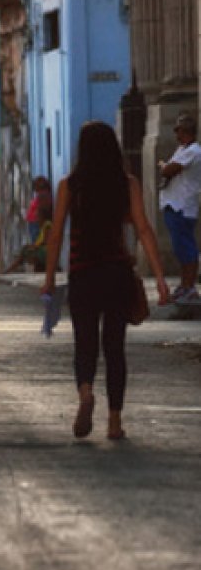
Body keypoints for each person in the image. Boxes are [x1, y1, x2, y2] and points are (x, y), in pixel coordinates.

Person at [41, 122, 170, 440]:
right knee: (115, 347)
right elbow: (142, 229)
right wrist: (161, 278)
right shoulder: (127, 183)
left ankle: (85, 393)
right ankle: (114, 421)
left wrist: (49, 279)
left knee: (84, 343)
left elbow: (55, 235)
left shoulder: (70, 185)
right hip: (116, 273)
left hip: (83, 272)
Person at [158, 113, 201, 303]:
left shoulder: (193, 151)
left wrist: (163, 166)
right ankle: (184, 285)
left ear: (185, 131)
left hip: (182, 206)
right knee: (180, 248)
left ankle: (189, 286)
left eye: (178, 129)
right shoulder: (182, 149)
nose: (175, 133)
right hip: (174, 204)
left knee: (186, 248)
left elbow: (169, 169)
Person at [25, 176, 53, 243]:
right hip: (34, 223)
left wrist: (38, 220)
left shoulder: (43, 195)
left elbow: (42, 211)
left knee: (36, 242)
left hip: (36, 224)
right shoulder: (41, 195)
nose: (35, 188)